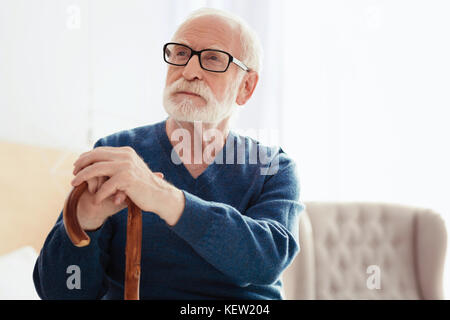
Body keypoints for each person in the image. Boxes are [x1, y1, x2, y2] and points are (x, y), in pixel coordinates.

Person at [33, 7, 305, 300]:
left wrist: (164, 198)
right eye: (179, 54)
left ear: (246, 87)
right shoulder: (115, 154)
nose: (189, 71)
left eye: (213, 58)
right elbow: (60, 294)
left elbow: (264, 262)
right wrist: (82, 226)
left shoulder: (273, 167)